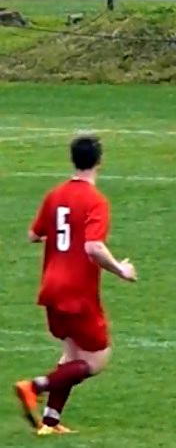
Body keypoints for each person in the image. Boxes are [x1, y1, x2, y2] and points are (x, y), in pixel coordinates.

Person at [12, 135, 138, 436]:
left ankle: (49, 422)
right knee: (96, 358)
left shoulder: (55, 195)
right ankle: (34, 386)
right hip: (77, 291)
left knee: (71, 355)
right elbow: (94, 247)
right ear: (99, 161)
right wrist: (121, 269)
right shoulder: (96, 201)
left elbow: (33, 235)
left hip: (51, 288)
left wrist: (58, 239)